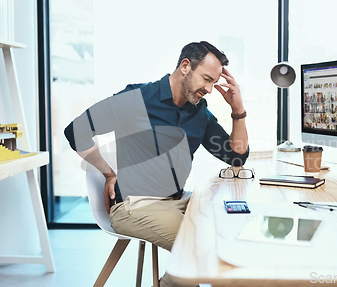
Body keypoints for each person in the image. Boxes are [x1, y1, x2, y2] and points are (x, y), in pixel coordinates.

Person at [64, 41, 249, 286]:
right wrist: (108, 173)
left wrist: (238, 109)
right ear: (185, 66)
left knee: (230, 227)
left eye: (214, 82)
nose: (210, 89)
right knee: (200, 247)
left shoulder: (199, 113)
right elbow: (76, 131)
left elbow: (235, 157)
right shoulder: (137, 99)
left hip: (176, 199)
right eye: (206, 79)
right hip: (135, 205)